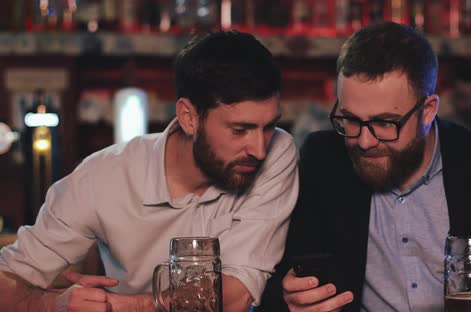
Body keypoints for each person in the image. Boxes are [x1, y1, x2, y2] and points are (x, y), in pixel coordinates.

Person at [259, 22, 471, 312]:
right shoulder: (324, 158)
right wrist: (290, 298)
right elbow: (279, 279)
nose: (363, 141)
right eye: (349, 120)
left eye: (385, 123)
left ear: (428, 110)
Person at [0, 30, 298, 311]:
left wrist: (119, 306)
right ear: (188, 117)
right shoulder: (102, 177)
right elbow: (6, 281)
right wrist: (52, 306)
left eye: (269, 126)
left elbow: (234, 297)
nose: (259, 148)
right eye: (239, 130)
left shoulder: (276, 153)